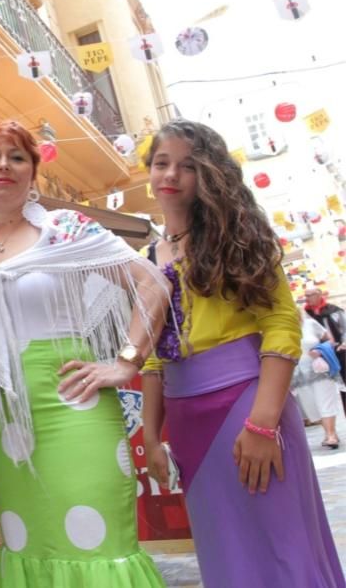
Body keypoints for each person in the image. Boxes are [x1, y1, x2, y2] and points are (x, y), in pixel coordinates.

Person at [0, 119, 169, 587]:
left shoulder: (65, 229)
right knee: (30, 541)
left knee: (97, 539)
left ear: (33, 171)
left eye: (17, 156)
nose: (3, 165)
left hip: (74, 405)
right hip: (0, 417)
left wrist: (125, 361)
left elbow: (151, 284)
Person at [140, 120, 344, 588]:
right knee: (224, 554)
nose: (170, 174)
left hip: (246, 408)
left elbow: (281, 323)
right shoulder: (147, 256)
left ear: (208, 174)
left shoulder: (239, 237)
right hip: (187, 424)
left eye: (187, 165)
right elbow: (153, 354)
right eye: (160, 162)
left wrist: (262, 422)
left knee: (281, 548)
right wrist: (152, 439)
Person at [290, 308, 340, 448]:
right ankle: (329, 433)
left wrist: (319, 350)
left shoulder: (310, 324)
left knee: (325, 401)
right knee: (312, 407)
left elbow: (330, 340)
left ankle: (331, 435)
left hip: (319, 369)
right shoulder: (283, 330)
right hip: (299, 374)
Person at [304, 286, 346, 413]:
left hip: (339, 350)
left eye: (310, 295)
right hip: (318, 355)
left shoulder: (334, 310)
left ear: (319, 295)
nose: (307, 299)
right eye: (306, 296)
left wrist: (344, 343)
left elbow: (344, 328)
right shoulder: (306, 315)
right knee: (325, 390)